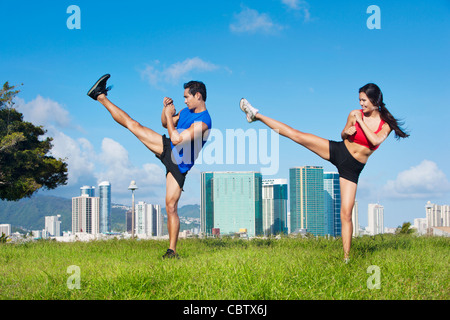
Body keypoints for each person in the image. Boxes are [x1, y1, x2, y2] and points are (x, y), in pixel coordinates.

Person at [240, 83, 409, 262]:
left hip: (352, 169)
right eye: (359, 100)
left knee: (346, 213)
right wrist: (347, 132)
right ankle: (256, 115)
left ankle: (346, 258)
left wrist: (360, 122)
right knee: (297, 135)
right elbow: (343, 134)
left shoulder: (385, 124)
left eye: (364, 100)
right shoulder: (354, 113)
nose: (361, 104)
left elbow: (375, 140)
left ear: (375, 100)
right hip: (339, 151)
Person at [87, 74, 212, 259]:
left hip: (180, 164)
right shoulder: (187, 112)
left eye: (187, 97)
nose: (184, 100)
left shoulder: (203, 122)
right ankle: (100, 96)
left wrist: (169, 116)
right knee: (133, 125)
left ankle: (172, 251)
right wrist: (166, 110)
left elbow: (177, 139)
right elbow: (165, 124)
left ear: (198, 96)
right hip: (168, 148)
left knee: (171, 206)